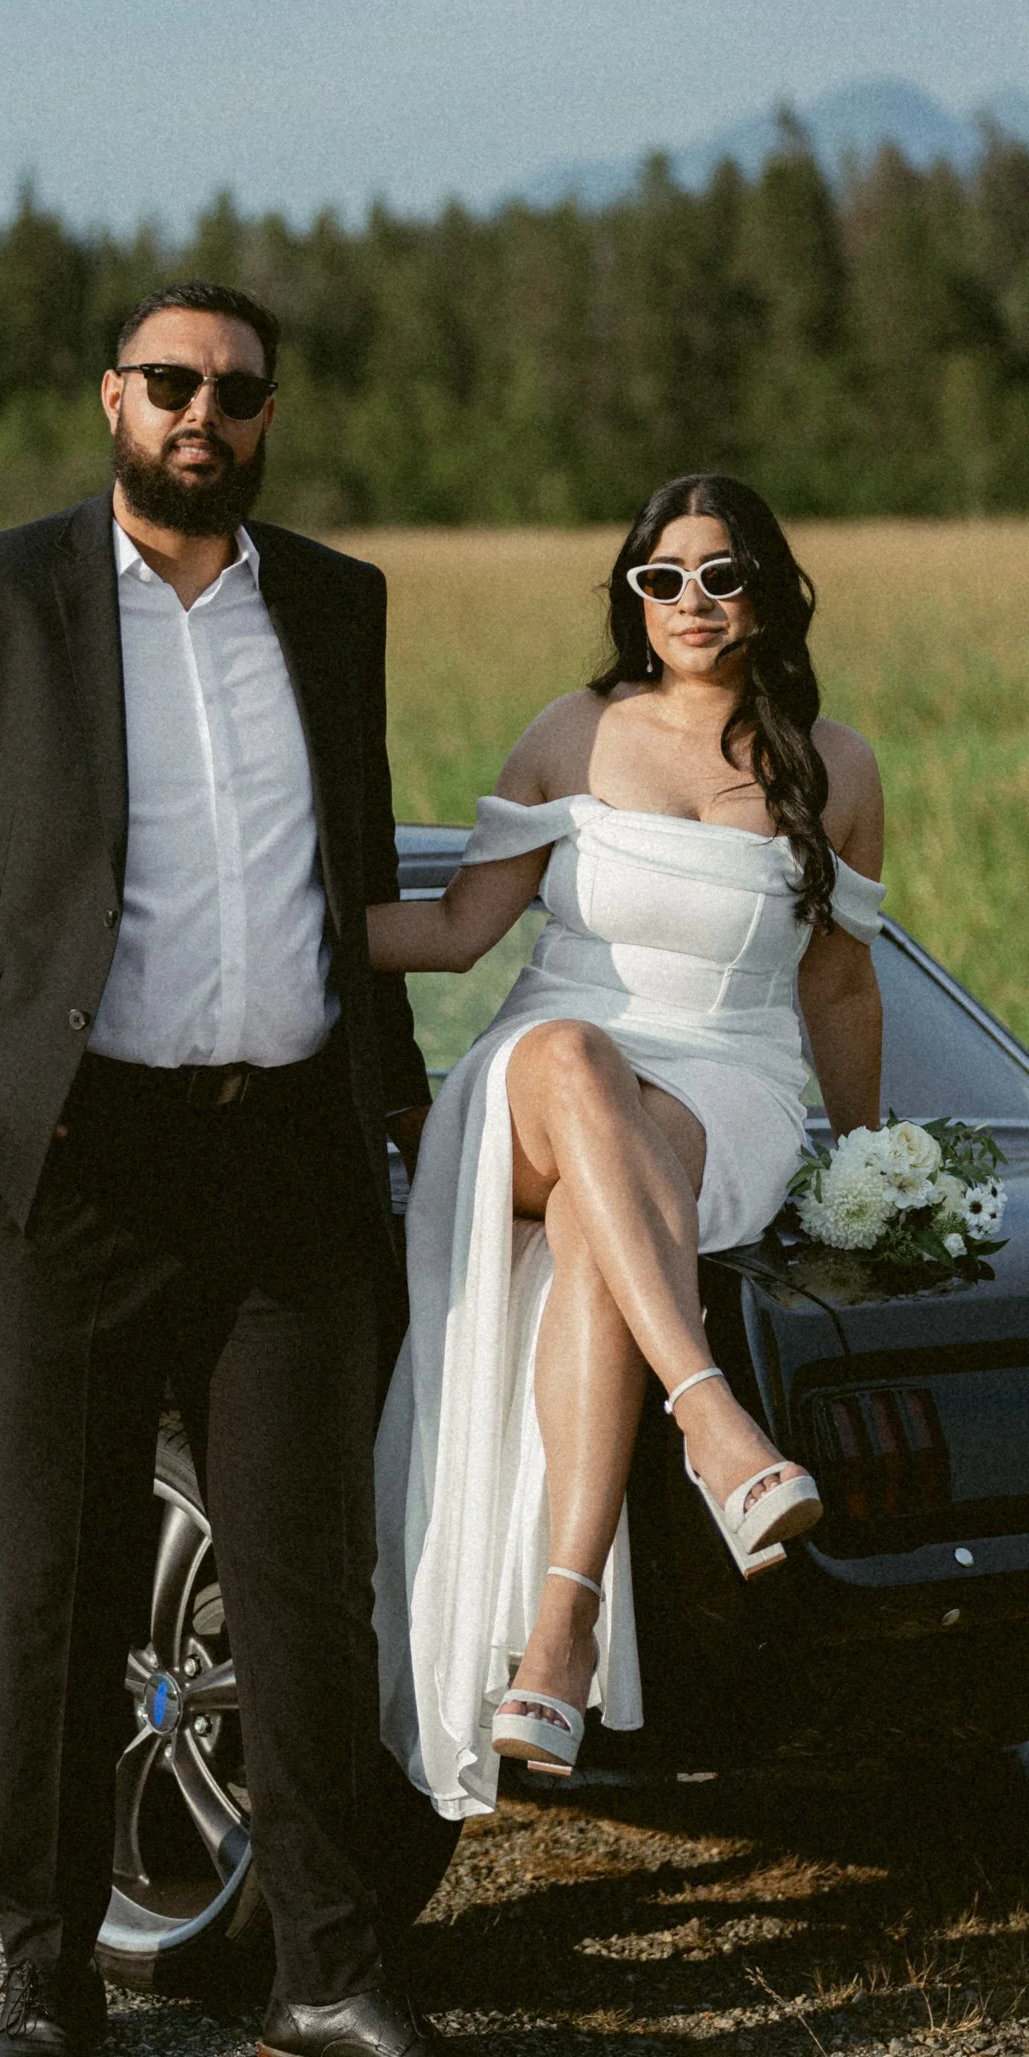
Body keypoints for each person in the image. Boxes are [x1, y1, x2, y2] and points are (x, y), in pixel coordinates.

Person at [0, 282, 531, 2057]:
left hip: (287, 1165)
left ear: (270, 415)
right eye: (171, 383)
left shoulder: (337, 605)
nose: (204, 414)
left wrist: (397, 1103)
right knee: (58, 1586)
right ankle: (49, 1984)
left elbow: (343, 878)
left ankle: (332, 1981)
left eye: (239, 390)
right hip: (66, 1170)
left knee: (307, 1595)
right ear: (112, 396)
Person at [368, 472, 885, 1816]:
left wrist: (867, 1162)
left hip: (734, 1087)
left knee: (617, 1212)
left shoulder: (839, 763)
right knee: (569, 1056)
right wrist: (260, 928)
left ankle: (562, 1629)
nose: (693, 603)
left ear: (768, 589)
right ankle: (715, 1422)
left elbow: (836, 985)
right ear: (632, 596)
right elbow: (455, 933)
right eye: (664, 578)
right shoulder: (572, 732)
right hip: (545, 1076)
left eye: (721, 575)